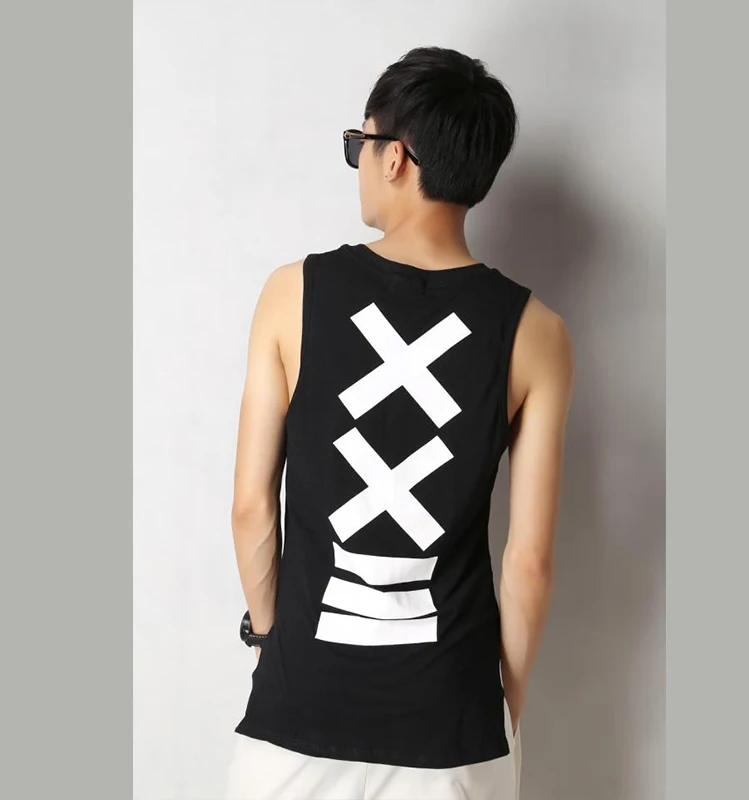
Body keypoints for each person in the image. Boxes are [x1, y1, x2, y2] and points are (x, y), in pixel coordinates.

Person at [225, 46, 575, 800]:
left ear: (395, 157)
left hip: (300, 706)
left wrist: (269, 644)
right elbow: (530, 563)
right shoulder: (538, 334)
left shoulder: (292, 294)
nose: (357, 162)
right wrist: (502, 712)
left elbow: (252, 508)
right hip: (452, 722)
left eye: (360, 142)